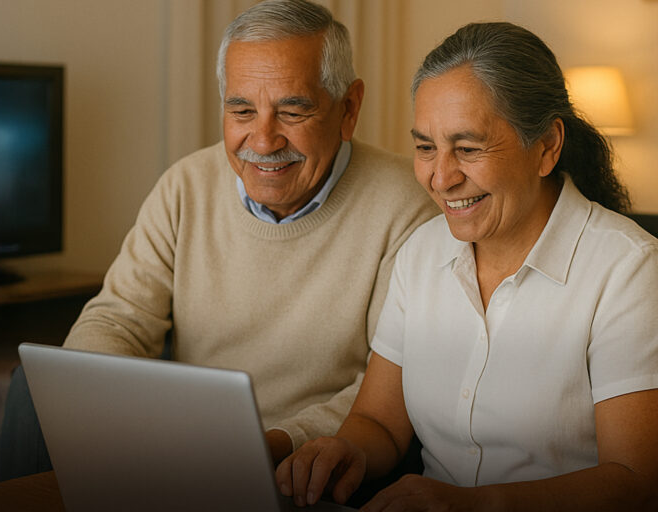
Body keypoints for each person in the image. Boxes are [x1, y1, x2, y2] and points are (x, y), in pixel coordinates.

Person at [0, 0, 437, 480]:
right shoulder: (186, 185)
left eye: (293, 111)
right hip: (180, 441)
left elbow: (384, 390)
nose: (263, 141)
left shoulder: (407, 206)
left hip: (304, 461)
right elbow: (117, 319)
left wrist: (274, 443)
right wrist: (99, 400)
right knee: (32, 393)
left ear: (348, 109)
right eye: (242, 110)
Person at [276, 21, 658, 511]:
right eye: (425, 147)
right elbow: (379, 422)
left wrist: (474, 504)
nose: (440, 178)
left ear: (546, 146)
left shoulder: (628, 270)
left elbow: (635, 482)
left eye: (468, 149)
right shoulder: (420, 253)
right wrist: (346, 450)